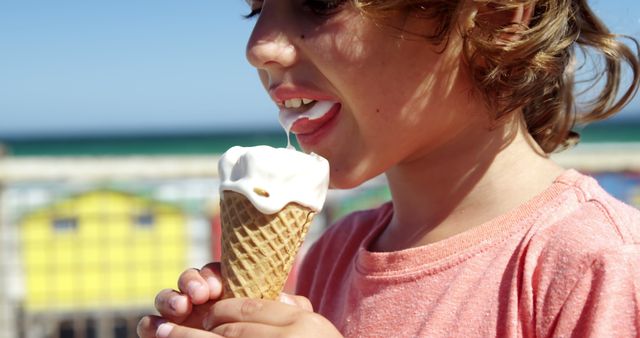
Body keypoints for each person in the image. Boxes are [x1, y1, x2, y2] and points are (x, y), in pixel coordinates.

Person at [138, 0, 640, 337]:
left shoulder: (599, 264)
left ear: (493, 12)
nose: (258, 48)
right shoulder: (334, 252)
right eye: (255, 10)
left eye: (320, 2)